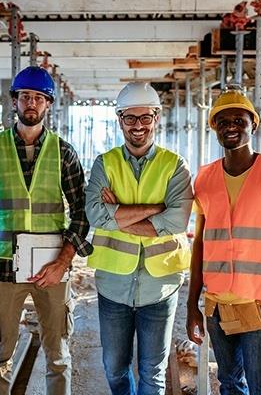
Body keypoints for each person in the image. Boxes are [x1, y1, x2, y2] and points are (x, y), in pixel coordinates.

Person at [0, 66, 92, 395]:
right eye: (25, 96)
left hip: (50, 267)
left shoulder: (63, 152)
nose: (31, 103)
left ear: (48, 104)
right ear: (14, 101)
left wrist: (64, 262)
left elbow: (82, 211)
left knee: (58, 356)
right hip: (3, 267)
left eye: (39, 98)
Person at [186, 87, 261, 394]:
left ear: (253, 124)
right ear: (214, 127)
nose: (231, 126)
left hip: (259, 305)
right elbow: (200, 245)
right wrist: (192, 304)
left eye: (239, 120)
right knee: (229, 384)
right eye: (223, 120)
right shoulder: (204, 178)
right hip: (216, 305)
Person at [85, 82, 193, 395]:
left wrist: (118, 213)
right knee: (115, 367)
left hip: (160, 285)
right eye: (130, 118)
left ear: (156, 117)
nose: (138, 126)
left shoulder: (175, 166)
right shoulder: (104, 164)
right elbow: (95, 215)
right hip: (114, 285)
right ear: (119, 120)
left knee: (152, 372)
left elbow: (177, 220)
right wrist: (154, 210)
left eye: (145, 118)